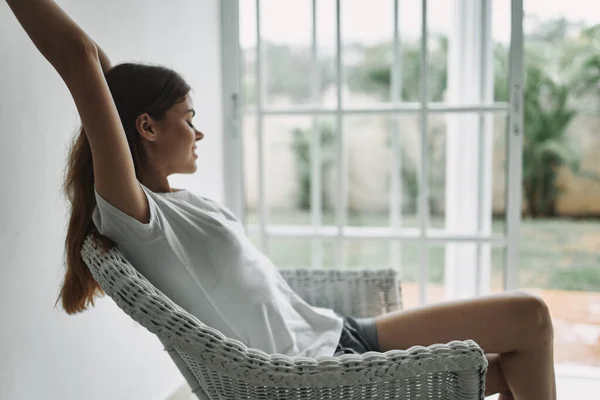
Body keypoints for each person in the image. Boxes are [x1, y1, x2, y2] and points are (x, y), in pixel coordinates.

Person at [6, 1, 556, 399]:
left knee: (525, 340)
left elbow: (107, 76)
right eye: (189, 118)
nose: (198, 133)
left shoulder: (169, 201)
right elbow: (80, 59)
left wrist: (114, 81)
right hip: (318, 372)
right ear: (147, 127)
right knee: (529, 323)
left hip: (339, 333)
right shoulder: (138, 219)